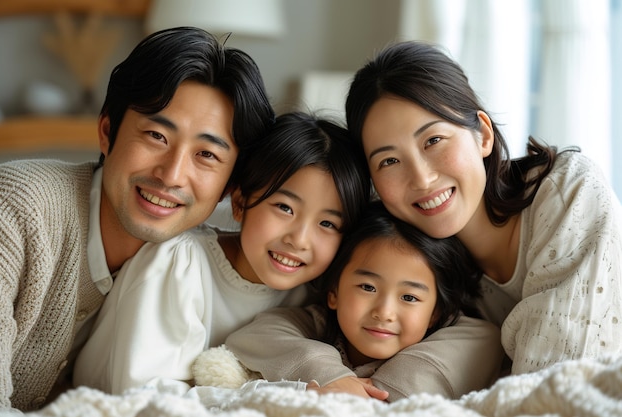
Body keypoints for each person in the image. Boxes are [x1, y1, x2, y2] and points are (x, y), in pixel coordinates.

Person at [0, 26, 275, 413]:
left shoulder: (206, 258)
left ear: (231, 185)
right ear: (107, 132)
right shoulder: (15, 209)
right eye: (157, 136)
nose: (172, 175)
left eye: (207, 155)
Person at [343, 40, 622, 375]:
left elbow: (559, 381)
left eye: (433, 140)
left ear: (483, 135)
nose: (422, 178)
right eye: (389, 160)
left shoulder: (567, 191)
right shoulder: (407, 259)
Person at [72, 112, 372, 395]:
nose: (299, 240)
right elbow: (146, 397)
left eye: (327, 223)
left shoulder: (316, 295)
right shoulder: (180, 264)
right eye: (284, 208)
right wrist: (294, 394)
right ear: (240, 202)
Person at [225, 200, 487, 402]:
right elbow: (253, 335)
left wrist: (386, 391)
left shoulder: (445, 337)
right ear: (334, 293)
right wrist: (336, 379)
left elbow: (484, 336)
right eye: (367, 287)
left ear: (435, 313)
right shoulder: (318, 325)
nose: (384, 312)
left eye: (409, 297)